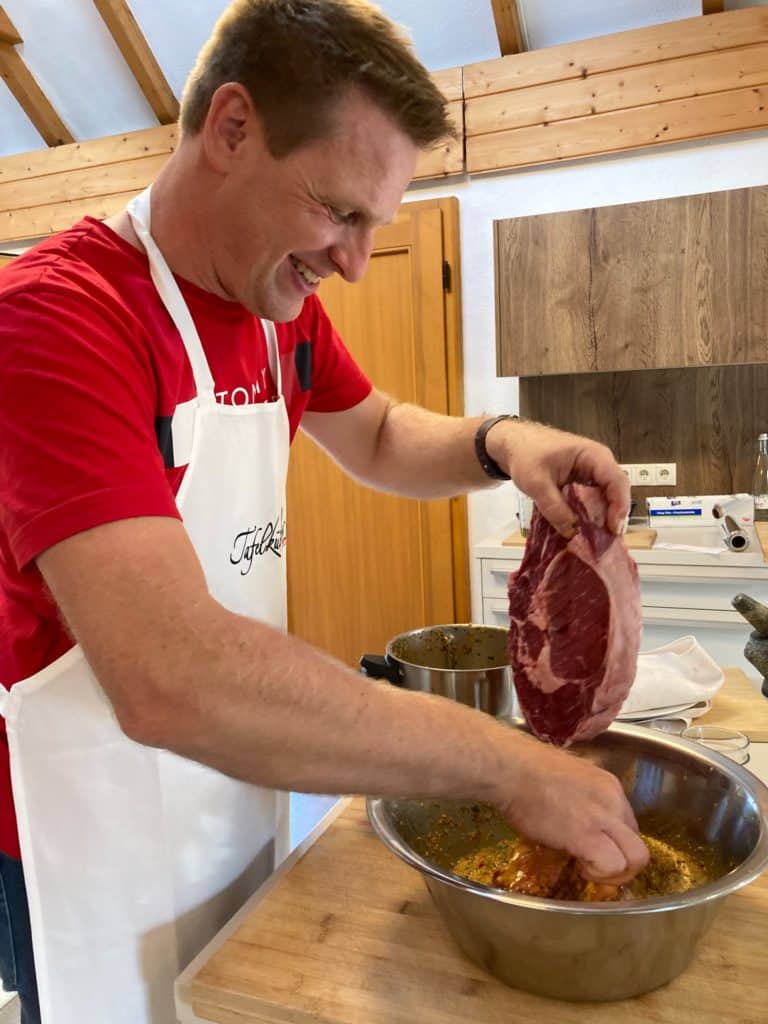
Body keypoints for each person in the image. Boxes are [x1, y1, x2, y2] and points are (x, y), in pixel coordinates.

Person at [0, 1, 648, 1021]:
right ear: (231, 129)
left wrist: (503, 442)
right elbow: (169, 676)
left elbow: (381, 432)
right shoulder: (57, 319)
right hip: (84, 828)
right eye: (338, 211)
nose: (354, 261)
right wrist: (506, 765)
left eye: (375, 225)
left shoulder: (272, 312)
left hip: (235, 791)